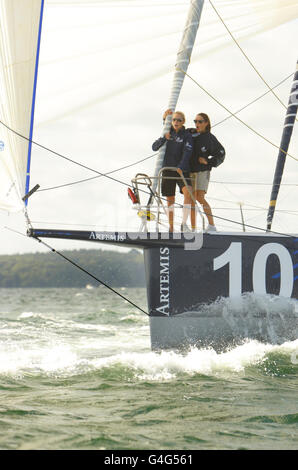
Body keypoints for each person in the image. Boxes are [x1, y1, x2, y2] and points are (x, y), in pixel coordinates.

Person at [152, 111, 193, 232]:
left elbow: (188, 152)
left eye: (179, 120)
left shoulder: (187, 135)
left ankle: (184, 224)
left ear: (183, 122)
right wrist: (164, 139)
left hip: (182, 169)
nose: (176, 122)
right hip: (168, 169)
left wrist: (181, 166)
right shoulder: (167, 132)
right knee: (170, 199)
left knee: (188, 192)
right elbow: (154, 147)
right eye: (174, 120)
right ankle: (171, 227)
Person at [189, 113, 225, 232]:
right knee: (191, 198)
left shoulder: (210, 138)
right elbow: (177, 130)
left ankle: (211, 225)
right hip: (190, 170)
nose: (197, 124)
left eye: (200, 121)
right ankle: (193, 227)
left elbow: (221, 153)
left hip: (203, 171)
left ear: (206, 123)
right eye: (195, 121)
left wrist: (209, 162)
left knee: (199, 197)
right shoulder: (191, 133)